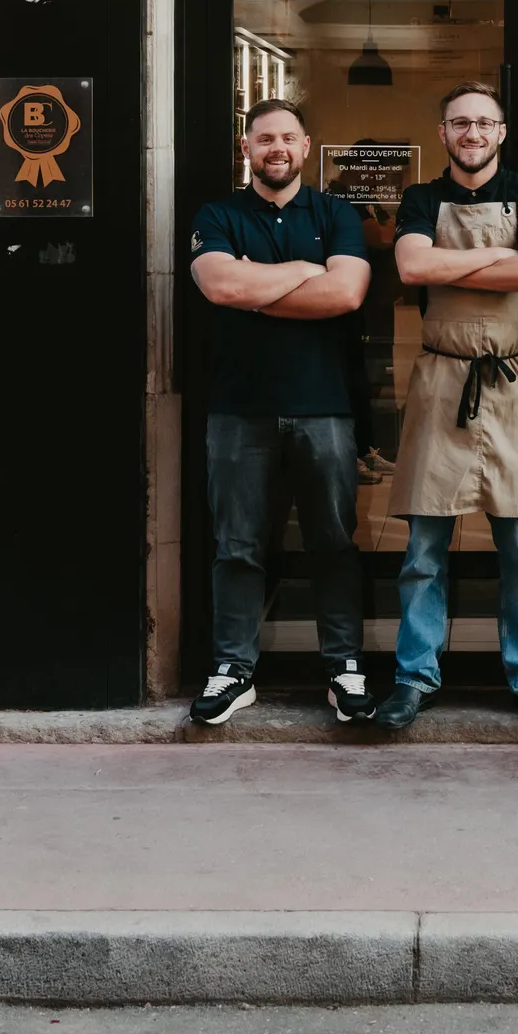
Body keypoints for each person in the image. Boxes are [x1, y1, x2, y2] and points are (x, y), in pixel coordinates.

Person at [375, 83, 518, 732]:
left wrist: (450, 262)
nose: (473, 133)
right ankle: (413, 677)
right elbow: (410, 267)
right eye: (460, 122)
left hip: (513, 382)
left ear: (502, 132)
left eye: (484, 123)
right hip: (442, 379)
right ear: (444, 133)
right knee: (424, 544)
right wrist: (501, 256)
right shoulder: (420, 198)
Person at [187, 99, 374, 726]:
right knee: (237, 547)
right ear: (246, 147)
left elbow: (346, 292)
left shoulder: (336, 212)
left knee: (333, 544)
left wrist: (256, 285)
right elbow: (219, 286)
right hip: (238, 410)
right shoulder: (217, 214)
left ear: (305, 146)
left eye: (288, 139)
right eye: (265, 138)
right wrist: (301, 272)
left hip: (324, 408)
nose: (277, 149)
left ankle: (344, 669)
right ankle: (232, 671)